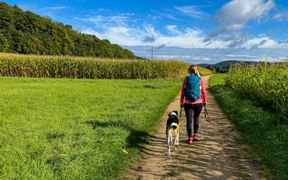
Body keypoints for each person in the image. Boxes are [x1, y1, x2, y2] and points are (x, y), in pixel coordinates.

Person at [180, 65, 207, 144]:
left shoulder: (186, 79)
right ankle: (195, 135)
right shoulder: (200, 79)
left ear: (189, 71)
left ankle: (189, 138)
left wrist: (181, 102)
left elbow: (182, 92)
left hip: (188, 103)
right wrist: (205, 101)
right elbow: (203, 92)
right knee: (196, 118)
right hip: (198, 102)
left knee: (189, 120)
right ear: (196, 71)